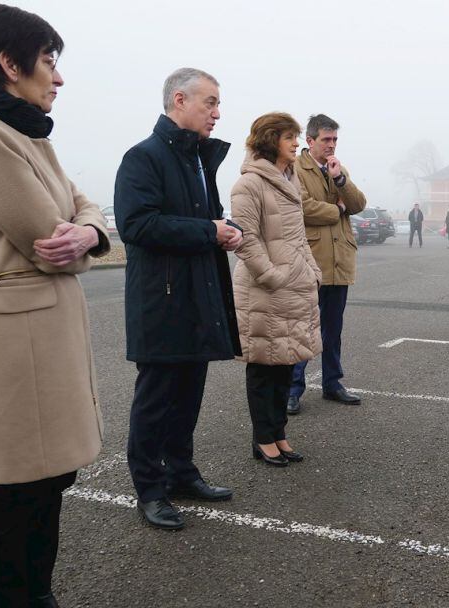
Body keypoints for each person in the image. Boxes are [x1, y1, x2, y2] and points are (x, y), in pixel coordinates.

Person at [0, 5, 110, 605]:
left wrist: (91, 231)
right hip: (15, 343)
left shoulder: (25, 132)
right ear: (9, 64)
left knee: (47, 481)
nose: (58, 77)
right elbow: (50, 244)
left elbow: (84, 208)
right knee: (20, 489)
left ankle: (35, 595)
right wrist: (83, 234)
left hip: (39, 336)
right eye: (49, 61)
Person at [114, 68, 243, 531]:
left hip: (198, 295)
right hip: (162, 300)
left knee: (188, 396)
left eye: (218, 103)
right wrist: (208, 231)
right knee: (156, 401)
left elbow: (209, 218)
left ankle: (182, 473)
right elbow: (137, 225)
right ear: (180, 100)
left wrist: (228, 231)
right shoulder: (142, 158)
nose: (217, 112)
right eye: (210, 102)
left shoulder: (196, 160)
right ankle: (149, 489)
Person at [230, 113, 322, 466]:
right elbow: (246, 238)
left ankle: (279, 433)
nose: (296, 143)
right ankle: (262, 438)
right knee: (262, 367)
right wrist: (272, 275)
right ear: (270, 139)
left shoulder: (290, 178)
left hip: (294, 286)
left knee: (285, 363)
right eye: (289, 137)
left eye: (296, 136)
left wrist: (310, 270)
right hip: (264, 290)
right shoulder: (249, 184)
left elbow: (296, 236)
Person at [288, 114, 367, 414]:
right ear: (310, 141)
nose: (332, 145)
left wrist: (340, 180)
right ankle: (293, 389)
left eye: (335, 139)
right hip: (313, 259)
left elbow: (358, 204)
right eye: (326, 140)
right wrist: (337, 209)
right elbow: (301, 206)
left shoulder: (337, 168)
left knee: (333, 329)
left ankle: (333, 384)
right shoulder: (297, 168)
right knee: (305, 328)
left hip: (339, 261)